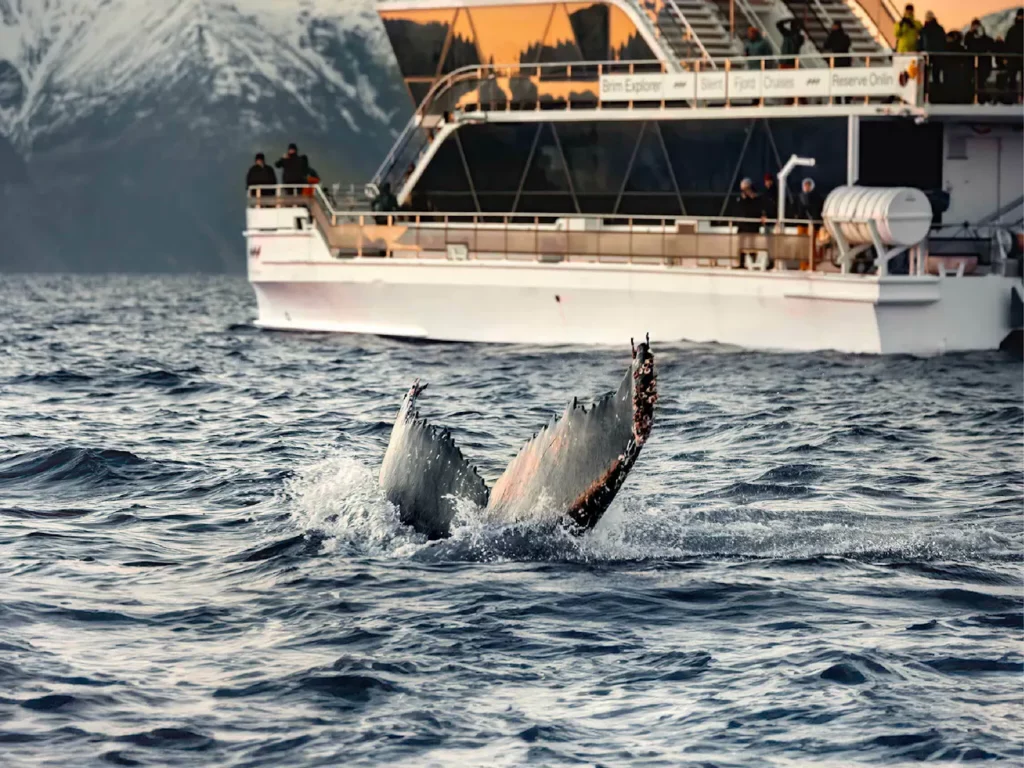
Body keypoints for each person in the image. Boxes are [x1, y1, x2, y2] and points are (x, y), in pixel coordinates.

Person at [965, 18, 995, 102]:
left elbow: (989, 45)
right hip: (973, 64)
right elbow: (967, 44)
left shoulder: (984, 39)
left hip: (983, 64)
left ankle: (982, 99)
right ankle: (979, 98)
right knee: (976, 82)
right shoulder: (969, 36)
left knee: (980, 82)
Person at [917, 11, 946, 99]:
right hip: (936, 55)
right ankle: (937, 95)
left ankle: (926, 95)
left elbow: (921, 42)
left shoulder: (924, 29)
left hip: (929, 55)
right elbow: (943, 41)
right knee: (935, 76)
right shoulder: (939, 29)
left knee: (926, 76)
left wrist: (919, 50)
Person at [1003, 8, 1023, 95]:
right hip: (1013, 57)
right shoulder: (1012, 30)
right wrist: (1006, 56)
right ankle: (1012, 97)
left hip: (1017, 57)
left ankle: (1018, 97)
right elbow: (1007, 44)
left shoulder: (1012, 30)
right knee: (1012, 78)